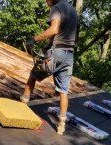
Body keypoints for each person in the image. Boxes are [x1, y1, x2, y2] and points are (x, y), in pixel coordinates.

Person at [21, 0, 78, 135]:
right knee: (63, 91)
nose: (46, 1)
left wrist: (34, 39)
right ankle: (61, 125)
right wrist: (48, 47)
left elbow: (54, 30)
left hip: (57, 54)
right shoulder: (72, 10)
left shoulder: (57, 8)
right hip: (69, 55)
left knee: (33, 76)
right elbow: (72, 35)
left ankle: (22, 106)